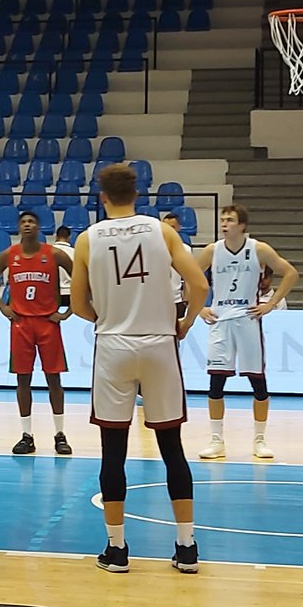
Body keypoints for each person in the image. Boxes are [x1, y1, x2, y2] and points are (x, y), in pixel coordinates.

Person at [74, 163, 207, 575]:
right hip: (159, 344)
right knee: (172, 448)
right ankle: (186, 547)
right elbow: (199, 285)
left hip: (114, 345)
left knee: (113, 451)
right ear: (138, 193)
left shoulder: (86, 239)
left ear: (102, 196)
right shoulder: (161, 231)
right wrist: (184, 323)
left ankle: (116, 550)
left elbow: (78, 305)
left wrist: (109, 318)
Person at [197, 204, 299, 462]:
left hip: (247, 319)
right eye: (222, 220)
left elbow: (291, 273)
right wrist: (198, 308)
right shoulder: (212, 251)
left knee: (258, 382)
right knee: (216, 383)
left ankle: (260, 440)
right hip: (220, 321)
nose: (224, 224)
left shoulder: (258, 249)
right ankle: (216, 440)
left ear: (242, 225)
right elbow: (188, 278)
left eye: (229, 220)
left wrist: (271, 304)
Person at [0, 209, 74, 456]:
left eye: (32, 222)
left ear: (39, 228)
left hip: (48, 323)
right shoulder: (9, 255)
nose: (27, 225)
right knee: (22, 380)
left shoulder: (54, 254)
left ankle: (60, 434)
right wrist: (2, 307)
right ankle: (27, 435)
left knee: (54, 379)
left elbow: (82, 279)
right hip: (21, 324)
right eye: (23, 222)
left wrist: (68, 312)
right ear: (18, 228)